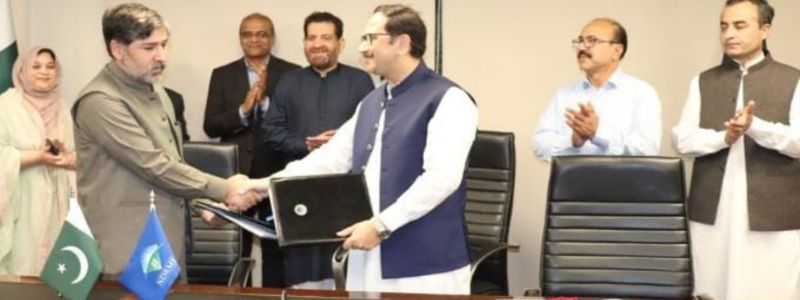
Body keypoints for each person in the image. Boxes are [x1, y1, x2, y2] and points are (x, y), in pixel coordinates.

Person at [248, 4, 477, 294]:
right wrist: (261, 186)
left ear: (403, 43)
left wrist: (381, 225)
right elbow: (329, 159)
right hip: (368, 258)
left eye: (371, 38)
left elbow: (441, 178)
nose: (363, 48)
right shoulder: (372, 100)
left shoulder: (449, 99)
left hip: (426, 266)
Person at [71, 3, 261, 278]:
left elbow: (173, 161)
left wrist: (202, 205)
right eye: (149, 48)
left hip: (169, 243)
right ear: (118, 50)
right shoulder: (100, 101)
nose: (162, 56)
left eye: (164, 44)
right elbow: (152, 165)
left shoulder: (157, 92)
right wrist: (223, 189)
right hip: (128, 251)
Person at [672, 1, 800, 299]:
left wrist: (755, 126)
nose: (729, 33)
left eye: (739, 25)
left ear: (765, 29)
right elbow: (681, 139)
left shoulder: (793, 79)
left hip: (774, 211)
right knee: (711, 288)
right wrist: (724, 138)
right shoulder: (703, 80)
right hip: (712, 209)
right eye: (723, 25)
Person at [262, 11, 374, 289]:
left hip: (344, 193)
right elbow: (271, 130)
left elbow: (371, 133)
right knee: (301, 271)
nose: (317, 44)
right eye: (311, 38)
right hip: (297, 188)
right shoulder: (289, 81)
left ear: (341, 43)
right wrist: (306, 144)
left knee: (343, 267)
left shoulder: (360, 81)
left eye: (326, 37)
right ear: (304, 43)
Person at [202, 14, 300, 286]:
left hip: (275, 172)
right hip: (235, 177)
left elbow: (297, 123)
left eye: (261, 33)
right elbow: (210, 126)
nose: (254, 39)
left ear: (272, 38)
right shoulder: (222, 74)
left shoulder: (292, 73)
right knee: (235, 246)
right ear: (240, 38)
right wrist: (243, 110)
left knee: (275, 245)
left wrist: (267, 105)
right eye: (247, 34)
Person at [532, 18, 661, 160]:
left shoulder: (641, 93)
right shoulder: (563, 95)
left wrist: (598, 133)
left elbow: (647, 148)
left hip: (622, 181)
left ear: (617, 50)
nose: (581, 48)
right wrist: (572, 141)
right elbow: (539, 144)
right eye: (580, 41)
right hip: (574, 180)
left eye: (591, 41)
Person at [0, 47, 74, 276]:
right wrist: (38, 157)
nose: (44, 72)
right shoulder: (5, 106)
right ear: (22, 71)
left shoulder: (62, 107)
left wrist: (63, 157)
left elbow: (75, 155)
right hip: (19, 201)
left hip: (58, 202)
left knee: (54, 273)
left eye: (50, 66)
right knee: (21, 269)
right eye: (36, 66)